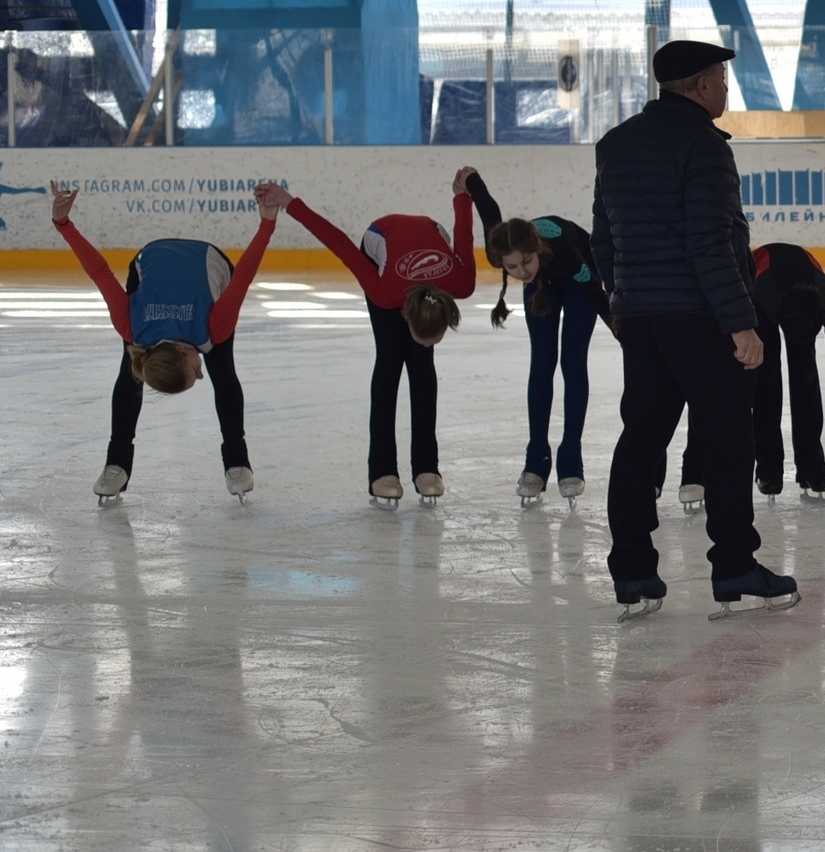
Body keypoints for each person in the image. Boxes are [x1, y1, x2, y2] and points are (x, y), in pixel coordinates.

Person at [591, 40, 793, 620]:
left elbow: (603, 239)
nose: (726, 90)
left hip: (642, 322)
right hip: (700, 320)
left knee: (640, 442)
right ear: (701, 87)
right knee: (727, 442)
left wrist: (623, 302)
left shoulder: (616, 143)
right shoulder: (703, 146)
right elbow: (709, 244)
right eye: (722, 80)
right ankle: (734, 567)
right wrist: (742, 323)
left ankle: (632, 572)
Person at [52, 178, 288, 504]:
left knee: (221, 371)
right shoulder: (182, 330)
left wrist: (267, 225)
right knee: (140, 372)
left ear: (181, 350)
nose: (201, 371)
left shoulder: (141, 326)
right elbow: (99, 273)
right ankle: (116, 464)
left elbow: (101, 272)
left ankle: (237, 461)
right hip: (159, 266)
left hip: (204, 259)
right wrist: (62, 224)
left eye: (195, 370)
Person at [287, 168, 478, 508]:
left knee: (422, 365)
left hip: (427, 233)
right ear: (405, 315)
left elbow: (463, 233)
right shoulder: (384, 291)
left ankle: (426, 468)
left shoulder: (461, 282)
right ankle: (382, 472)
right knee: (390, 362)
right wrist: (290, 203)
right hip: (381, 240)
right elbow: (339, 242)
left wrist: (461, 195)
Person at [476, 179, 612, 506]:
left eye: (526, 262)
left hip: (579, 275)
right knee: (542, 362)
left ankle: (571, 458)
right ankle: (536, 459)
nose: (520, 271)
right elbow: (489, 211)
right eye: (512, 267)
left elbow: (598, 297)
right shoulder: (503, 247)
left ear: (536, 250)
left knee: (572, 361)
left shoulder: (567, 256)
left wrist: (629, 337)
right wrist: (471, 180)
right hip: (545, 286)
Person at [749, 243, 825, 499]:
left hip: (800, 299)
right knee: (766, 382)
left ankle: (812, 468)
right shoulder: (761, 296)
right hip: (764, 283)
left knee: (806, 380)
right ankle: (768, 469)